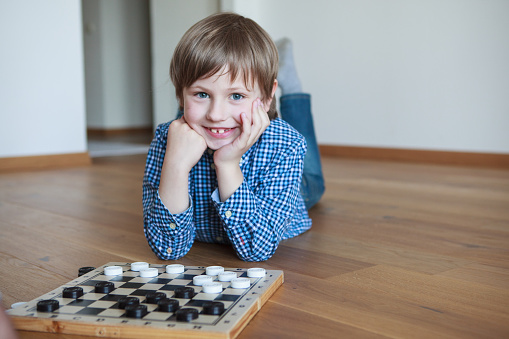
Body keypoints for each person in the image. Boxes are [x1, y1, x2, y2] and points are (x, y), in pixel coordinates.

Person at [143, 13, 324, 262]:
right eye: (201, 93)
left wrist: (227, 165)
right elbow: (168, 248)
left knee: (313, 183)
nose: (217, 115)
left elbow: (256, 250)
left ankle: (291, 87)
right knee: (198, 117)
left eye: (236, 95)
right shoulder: (167, 140)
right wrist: (175, 165)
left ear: (267, 95)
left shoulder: (286, 145)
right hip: (215, 118)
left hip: (290, 193)